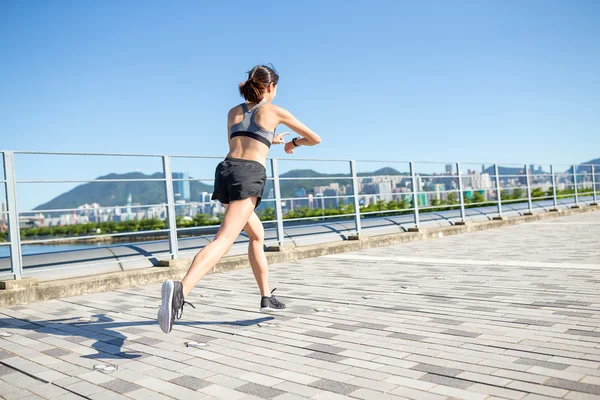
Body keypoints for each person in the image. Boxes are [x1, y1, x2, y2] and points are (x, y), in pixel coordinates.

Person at [158, 65, 322, 333]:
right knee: (224, 239)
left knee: (257, 235)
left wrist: (274, 139)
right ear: (271, 87)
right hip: (249, 175)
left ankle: (266, 296)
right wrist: (295, 143)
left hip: (226, 172)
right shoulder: (275, 110)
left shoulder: (233, 112)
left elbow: (244, 141)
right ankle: (180, 290)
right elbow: (315, 138)